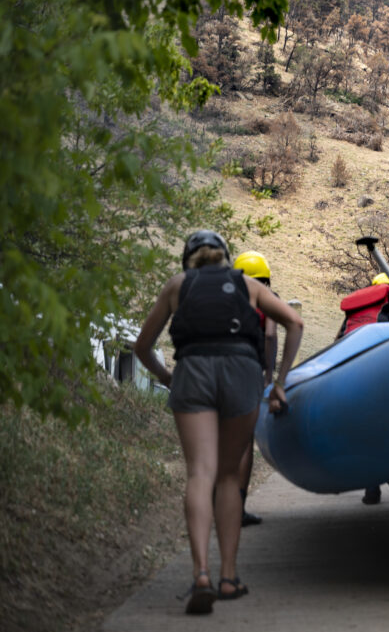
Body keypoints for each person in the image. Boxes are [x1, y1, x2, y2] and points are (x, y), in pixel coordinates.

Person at [134, 230, 303, 614]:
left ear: (188, 259)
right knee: (229, 476)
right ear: (225, 258)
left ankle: (201, 576)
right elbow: (295, 323)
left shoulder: (177, 285)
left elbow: (142, 346)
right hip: (242, 371)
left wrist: (167, 377)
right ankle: (229, 578)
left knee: (200, 473)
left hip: (192, 370)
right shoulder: (247, 285)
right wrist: (278, 383)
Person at [336, 272, 389, 510]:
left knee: (366, 429)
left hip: (352, 370)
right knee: (387, 430)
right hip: (382, 371)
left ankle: (372, 487)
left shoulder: (358, 309)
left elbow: (338, 340)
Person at [231, 251, 277, 527]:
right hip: (247, 372)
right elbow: (270, 335)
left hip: (216, 371)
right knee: (244, 442)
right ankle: (237, 506)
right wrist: (269, 374)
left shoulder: (224, 298)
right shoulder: (264, 297)